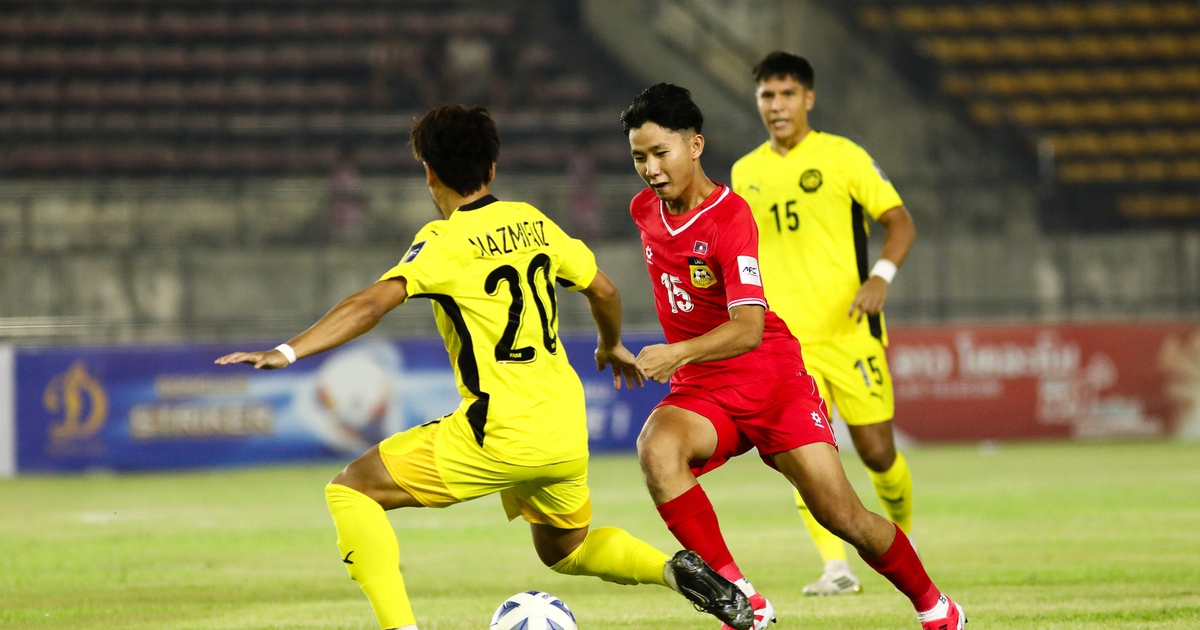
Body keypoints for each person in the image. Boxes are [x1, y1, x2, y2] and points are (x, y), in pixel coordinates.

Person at [216, 105, 752, 630]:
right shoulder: (531, 221)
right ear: (492, 168)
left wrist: (286, 352)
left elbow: (370, 304)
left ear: (428, 172)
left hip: (498, 429)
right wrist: (611, 345)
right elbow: (604, 289)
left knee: (351, 490)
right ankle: (671, 570)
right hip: (565, 427)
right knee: (569, 552)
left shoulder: (442, 241)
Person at [621, 84, 965, 630]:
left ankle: (936, 606)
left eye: (660, 153)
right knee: (657, 451)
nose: (649, 169)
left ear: (695, 146)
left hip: (771, 380)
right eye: (639, 156)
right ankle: (741, 597)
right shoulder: (644, 210)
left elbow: (750, 328)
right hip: (705, 388)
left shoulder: (730, 218)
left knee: (843, 516)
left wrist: (676, 352)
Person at [731, 51, 920, 596]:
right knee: (804, 457)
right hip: (786, 344)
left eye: (787, 94)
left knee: (877, 452)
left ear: (808, 98)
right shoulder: (746, 172)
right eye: (768, 95)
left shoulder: (843, 157)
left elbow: (899, 221)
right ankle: (835, 567)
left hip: (849, 330)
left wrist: (880, 276)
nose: (777, 105)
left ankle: (898, 541)